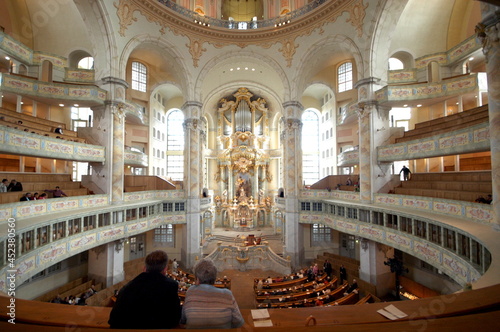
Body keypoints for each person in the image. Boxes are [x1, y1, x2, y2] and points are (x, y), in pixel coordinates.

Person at [108, 250, 181, 329]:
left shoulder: (128, 287)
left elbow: (114, 320)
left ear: (145, 268)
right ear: (165, 270)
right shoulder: (170, 286)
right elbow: (175, 318)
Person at [181, 259, 244, 329]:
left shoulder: (190, 292)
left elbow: (183, 319)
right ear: (214, 278)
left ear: (197, 279)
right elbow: (238, 322)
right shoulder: (227, 295)